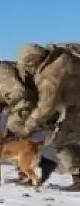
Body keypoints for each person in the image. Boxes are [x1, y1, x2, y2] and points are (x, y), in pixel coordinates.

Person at [0, 47, 56, 185]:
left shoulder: (2, 73)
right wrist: (2, 102)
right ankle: (29, 170)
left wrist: (5, 103)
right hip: (19, 108)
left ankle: (31, 170)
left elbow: (18, 92)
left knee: (11, 142)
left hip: (22, 108)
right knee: (12, 142)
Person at [13, 43, 80, 191]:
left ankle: (78, 177)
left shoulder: (50, 76)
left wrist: (27, 128)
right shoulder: (62, 55)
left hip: (76, 109)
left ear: (32, 62)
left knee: (59, 141)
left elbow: (45, 108)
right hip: (74, 106)